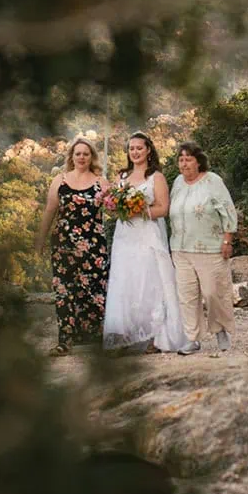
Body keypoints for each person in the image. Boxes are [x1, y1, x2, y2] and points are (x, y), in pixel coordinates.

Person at [103, 132, 192, 354]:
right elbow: (113, 206)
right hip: (125, 236)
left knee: (149, 281)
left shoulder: (156, 177)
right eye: (131, 148)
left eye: (139, 148)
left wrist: (139, 211)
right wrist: (115, 207)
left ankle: (154, 336)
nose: (135, 152)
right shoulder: (122, 176)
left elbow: (163, 208)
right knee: (125, 282)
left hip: (147, 234)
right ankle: (126, 336)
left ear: (148, 150)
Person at [36, 136, 108, 355]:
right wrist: (40, 240)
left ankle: (95, 339)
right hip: (63, 245)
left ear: (91, 157)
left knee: (94, 290)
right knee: (64, 291)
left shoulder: (101, 182)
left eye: (86, 153)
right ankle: (65, 341)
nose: (82, 157)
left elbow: (114, 208)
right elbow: (50, 211)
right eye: (78, 153)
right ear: (72, 157)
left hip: (93, 246)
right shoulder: (60, 180)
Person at [168, 142, 238, 353]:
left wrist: (227, 240)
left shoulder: (212, 181)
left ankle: (220, 329)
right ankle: (192, 338)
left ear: (198, 161)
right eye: (181, 160)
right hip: (180, 249)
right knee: (187, 296)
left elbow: (228, 210)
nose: (184, 164)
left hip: (210, 248)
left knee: (212, 293)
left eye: (188, 159)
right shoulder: (177, 182)